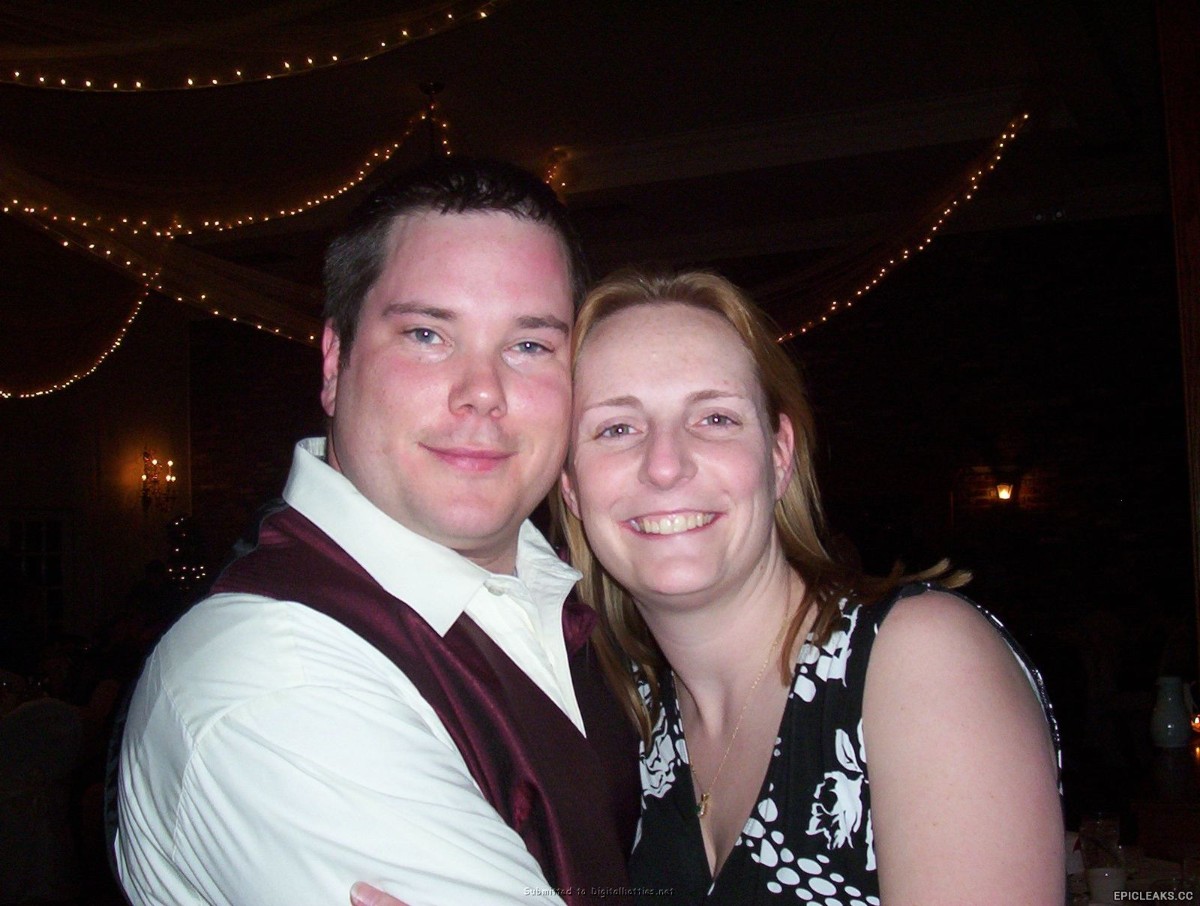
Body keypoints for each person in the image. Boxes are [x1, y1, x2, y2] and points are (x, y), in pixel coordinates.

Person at [115, 158, 639, 906]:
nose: (482, 394)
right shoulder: (276, 683)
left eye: (529, 346)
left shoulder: (598, 597)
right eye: (427, 334)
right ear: (335, 362)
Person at [553, 269, 1065, 904]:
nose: (664, 465)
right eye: (616, 428)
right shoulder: (623, 720)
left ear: (779, 454)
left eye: (714, 417)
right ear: (571, 487)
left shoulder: (919, 660)